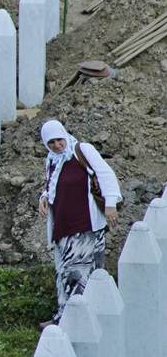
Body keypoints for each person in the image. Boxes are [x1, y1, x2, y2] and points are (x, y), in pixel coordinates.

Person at [37, 120, 121, 326]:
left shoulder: (81, 150)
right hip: (65, 225)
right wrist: (44, 197)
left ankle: (80, 319)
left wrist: (111, 203)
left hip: (85, 224)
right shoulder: (53, 160)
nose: (57, 145)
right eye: (51, 143)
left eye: (59, 140)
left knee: (80, 272)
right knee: (65, 271)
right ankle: (66, 316)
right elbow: (53, 185)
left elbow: (105, 173)